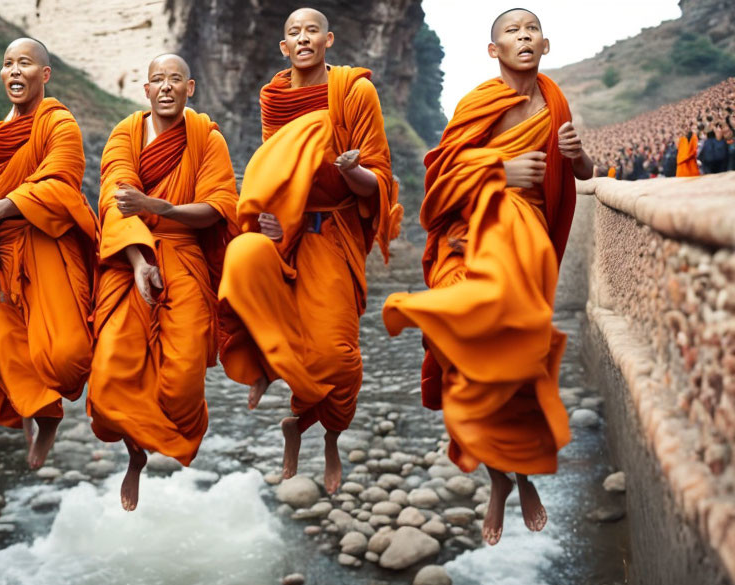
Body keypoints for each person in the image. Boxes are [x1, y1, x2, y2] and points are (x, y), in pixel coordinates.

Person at [382, 8, 594, 545]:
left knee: (520, 363)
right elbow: (441, 180)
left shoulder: (557, 103)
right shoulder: (476, 103)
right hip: (468, 243)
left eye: (530, 31)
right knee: (463, 355)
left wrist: (579, 155)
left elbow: (582, 176)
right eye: (511, 32)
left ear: (545, 45)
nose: (522, 37)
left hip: (525, 247)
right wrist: (497, 171)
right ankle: (498, 480)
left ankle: (520, 475)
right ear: (492, 49)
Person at [217, 7, 402, 494]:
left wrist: (350, 173)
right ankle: (265, 361)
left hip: (332, 233)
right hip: (287, 233)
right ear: (284, 46)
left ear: (328, 39)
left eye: (311, 31)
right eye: (293, 32)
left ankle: (320, 435)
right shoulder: (273, 97)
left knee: (338, 357)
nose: (302, 38)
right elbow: (272, 166)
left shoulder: (355, 92)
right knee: (241, 259)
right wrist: (270, 217)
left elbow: (378, 179)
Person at [89, 54, 238, 510]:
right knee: (112, 370)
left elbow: (218, 206)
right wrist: (137, 261)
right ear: (147, 90)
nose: (167, 87)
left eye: (176, 79)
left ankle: (161, 435)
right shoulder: (125, 134)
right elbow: (117, 199)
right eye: (158, 80)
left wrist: (162, 208)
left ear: (190, 88)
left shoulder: (207, 140)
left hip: (184, 253)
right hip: (129, 255)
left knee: (184, 382)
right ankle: (135, 455)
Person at [0, 38, 98, 469]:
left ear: (45, 74)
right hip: (9, 255)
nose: (15, 71)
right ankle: (47, 416)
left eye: (25, 63)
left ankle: (109, 389)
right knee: (0, 344)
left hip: (49, 241)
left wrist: (0, 208)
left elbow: (61, 184)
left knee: (68, 356)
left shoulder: (61, 124)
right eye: (8, 64)